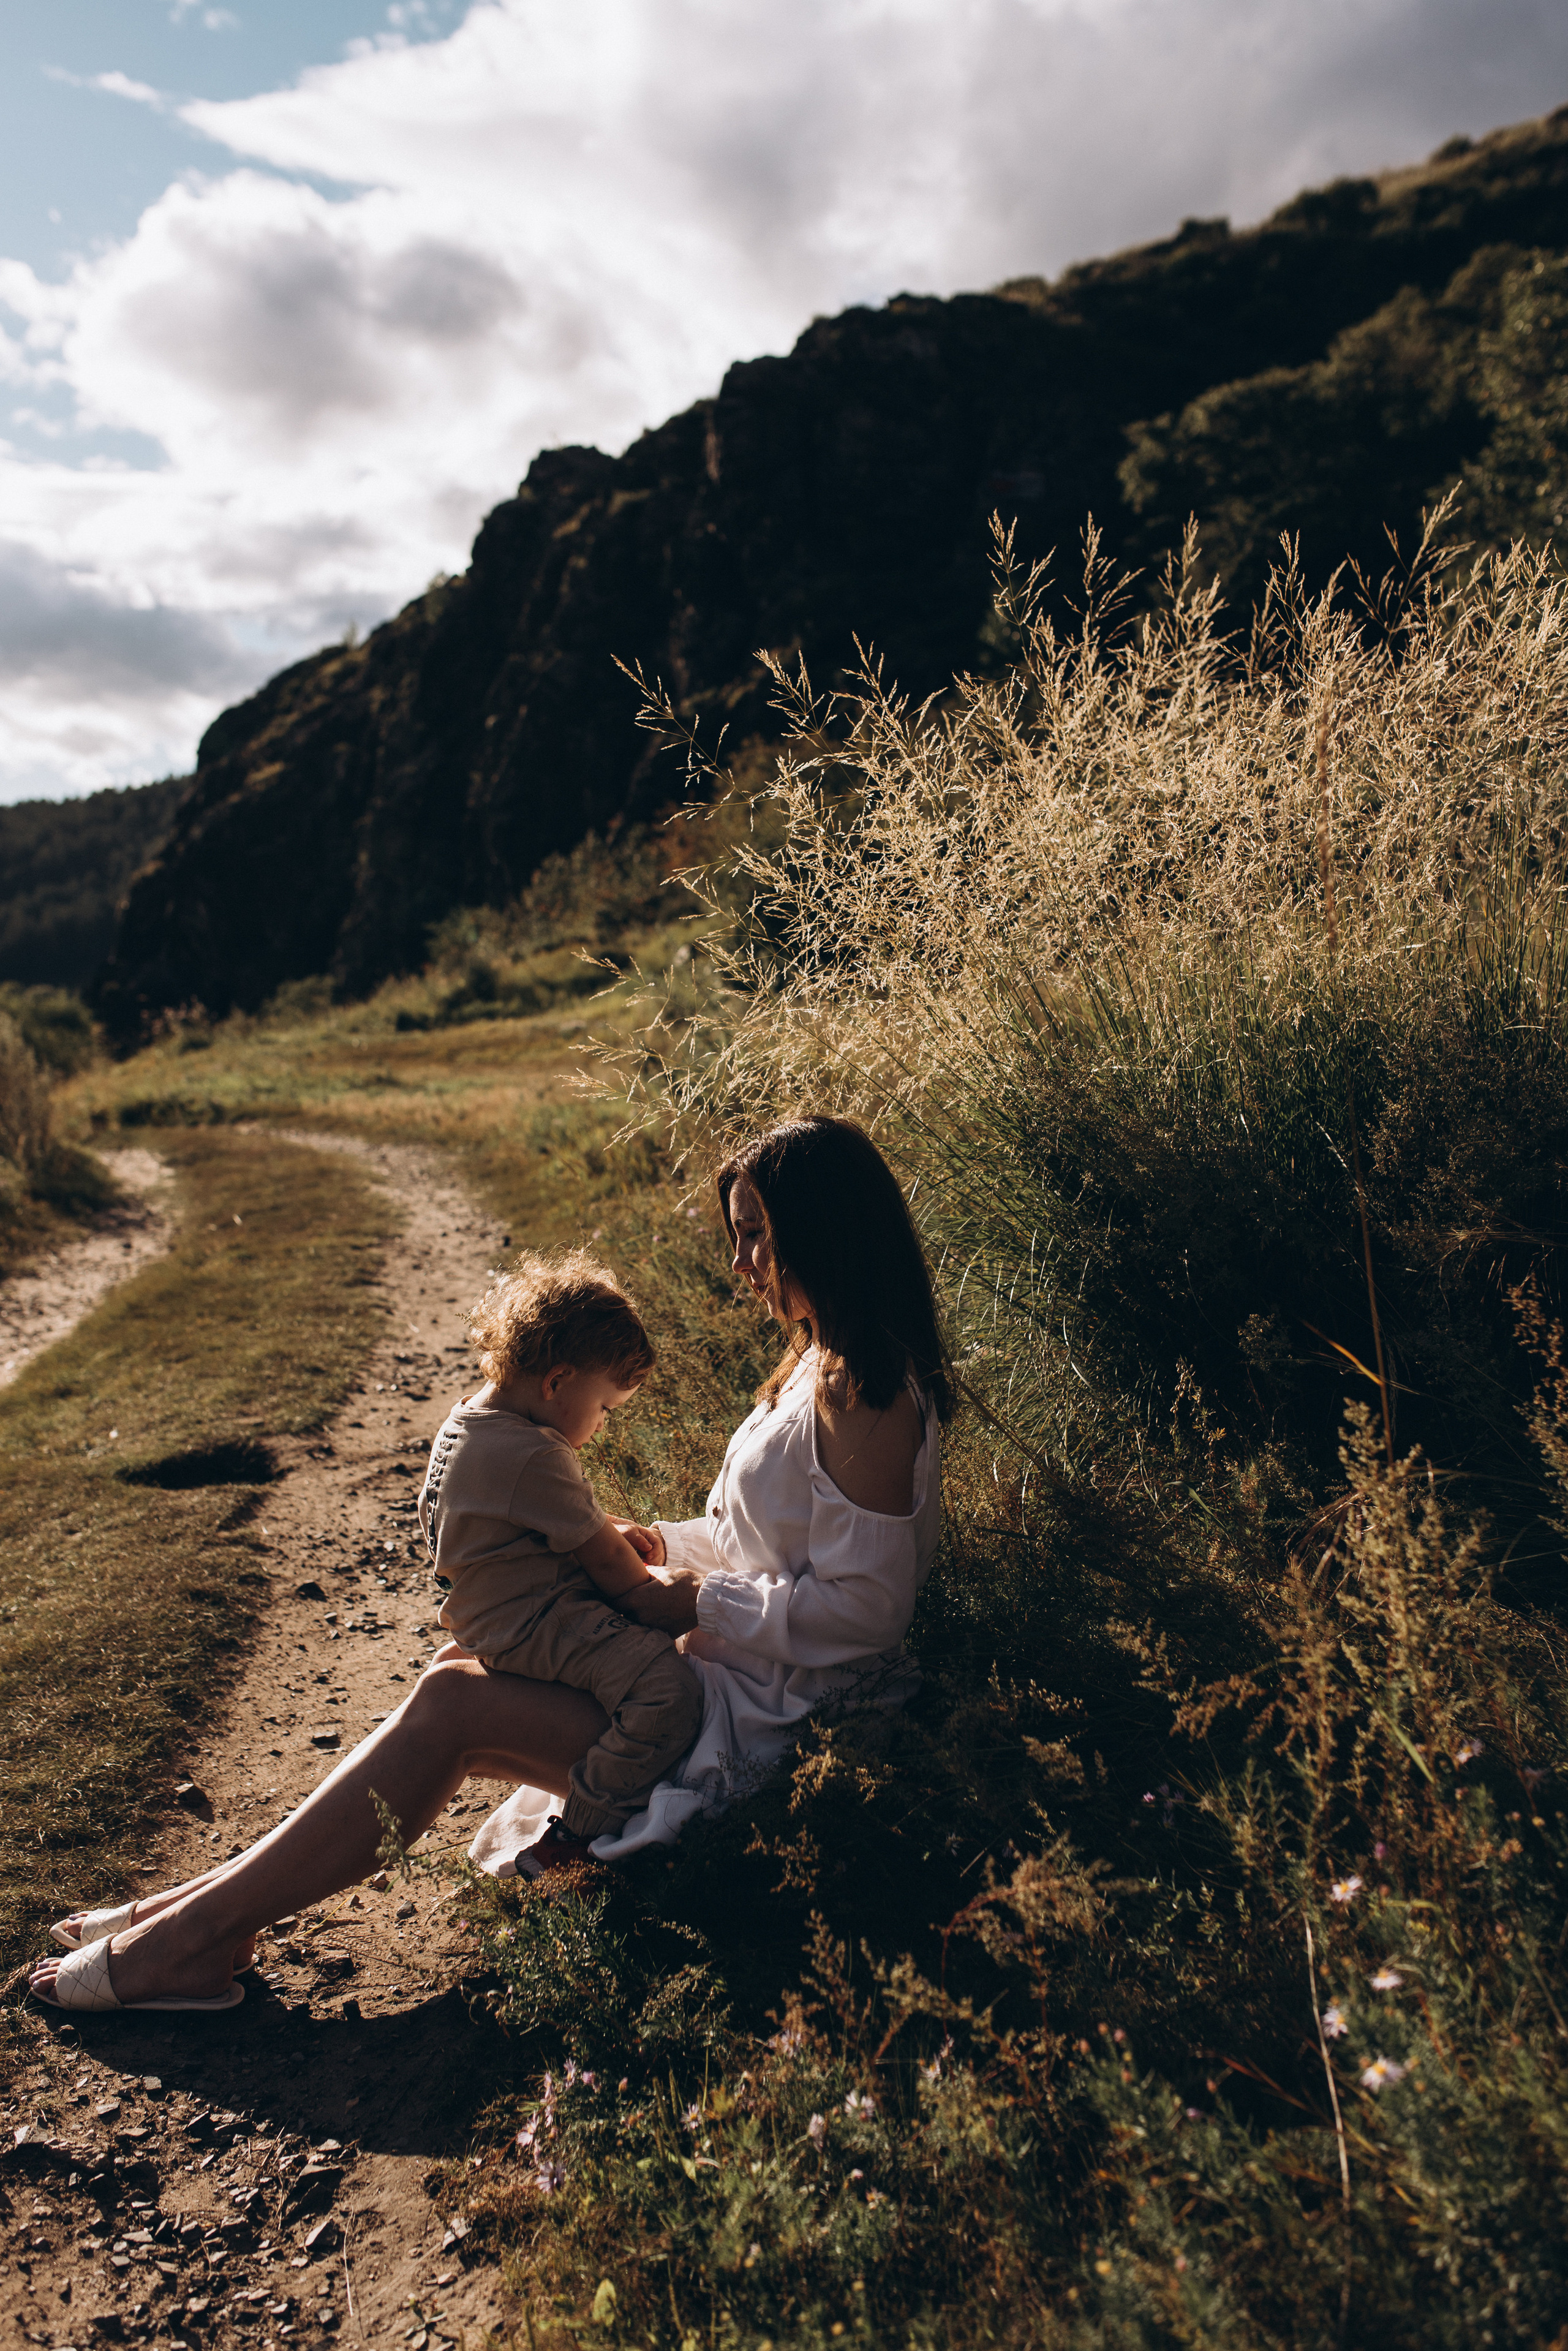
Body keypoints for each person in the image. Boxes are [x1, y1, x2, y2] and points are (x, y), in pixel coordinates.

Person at [31, 1114, 951, 2016]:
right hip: (735, 1679)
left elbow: (869, 1614)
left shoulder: (865, 1394)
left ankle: (190, 1938)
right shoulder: (817, 1363)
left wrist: (696, 1598)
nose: (741, 1261)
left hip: (776, 1723)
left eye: (757, 1235)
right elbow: (771, 1544)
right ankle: (196, 1916)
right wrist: (667, 1546)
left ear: (822, 1229)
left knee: (455, 1705)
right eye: (738, 1234)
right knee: (453, 1673)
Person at [418, 1250, 701, 1876]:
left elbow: (522, 1520)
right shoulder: (533, 1452)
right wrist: (674, 1597)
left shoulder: (468, 1421)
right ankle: (579, 1833)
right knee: (665, 1688)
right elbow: (614, 1575)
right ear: (557, 1382)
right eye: (604, 1409)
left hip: (493, 1613)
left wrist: (604, 1527)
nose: (601, 1425)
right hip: (534, 1621)